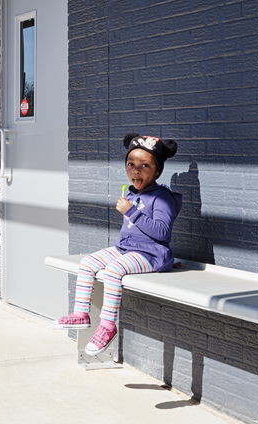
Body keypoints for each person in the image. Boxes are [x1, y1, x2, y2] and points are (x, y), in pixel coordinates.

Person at [51, 133, 183, 356]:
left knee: (113, 271)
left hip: (151, 254)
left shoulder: (162, 197)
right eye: (131, 164)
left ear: (157, 171)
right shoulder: (132, 194)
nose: (136, 170)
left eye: (144, 165)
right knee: (88, 263)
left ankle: (107, 326)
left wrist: (131, 211)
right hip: (126, 250)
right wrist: (131, 209)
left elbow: (162, 232)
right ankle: (81, 315)